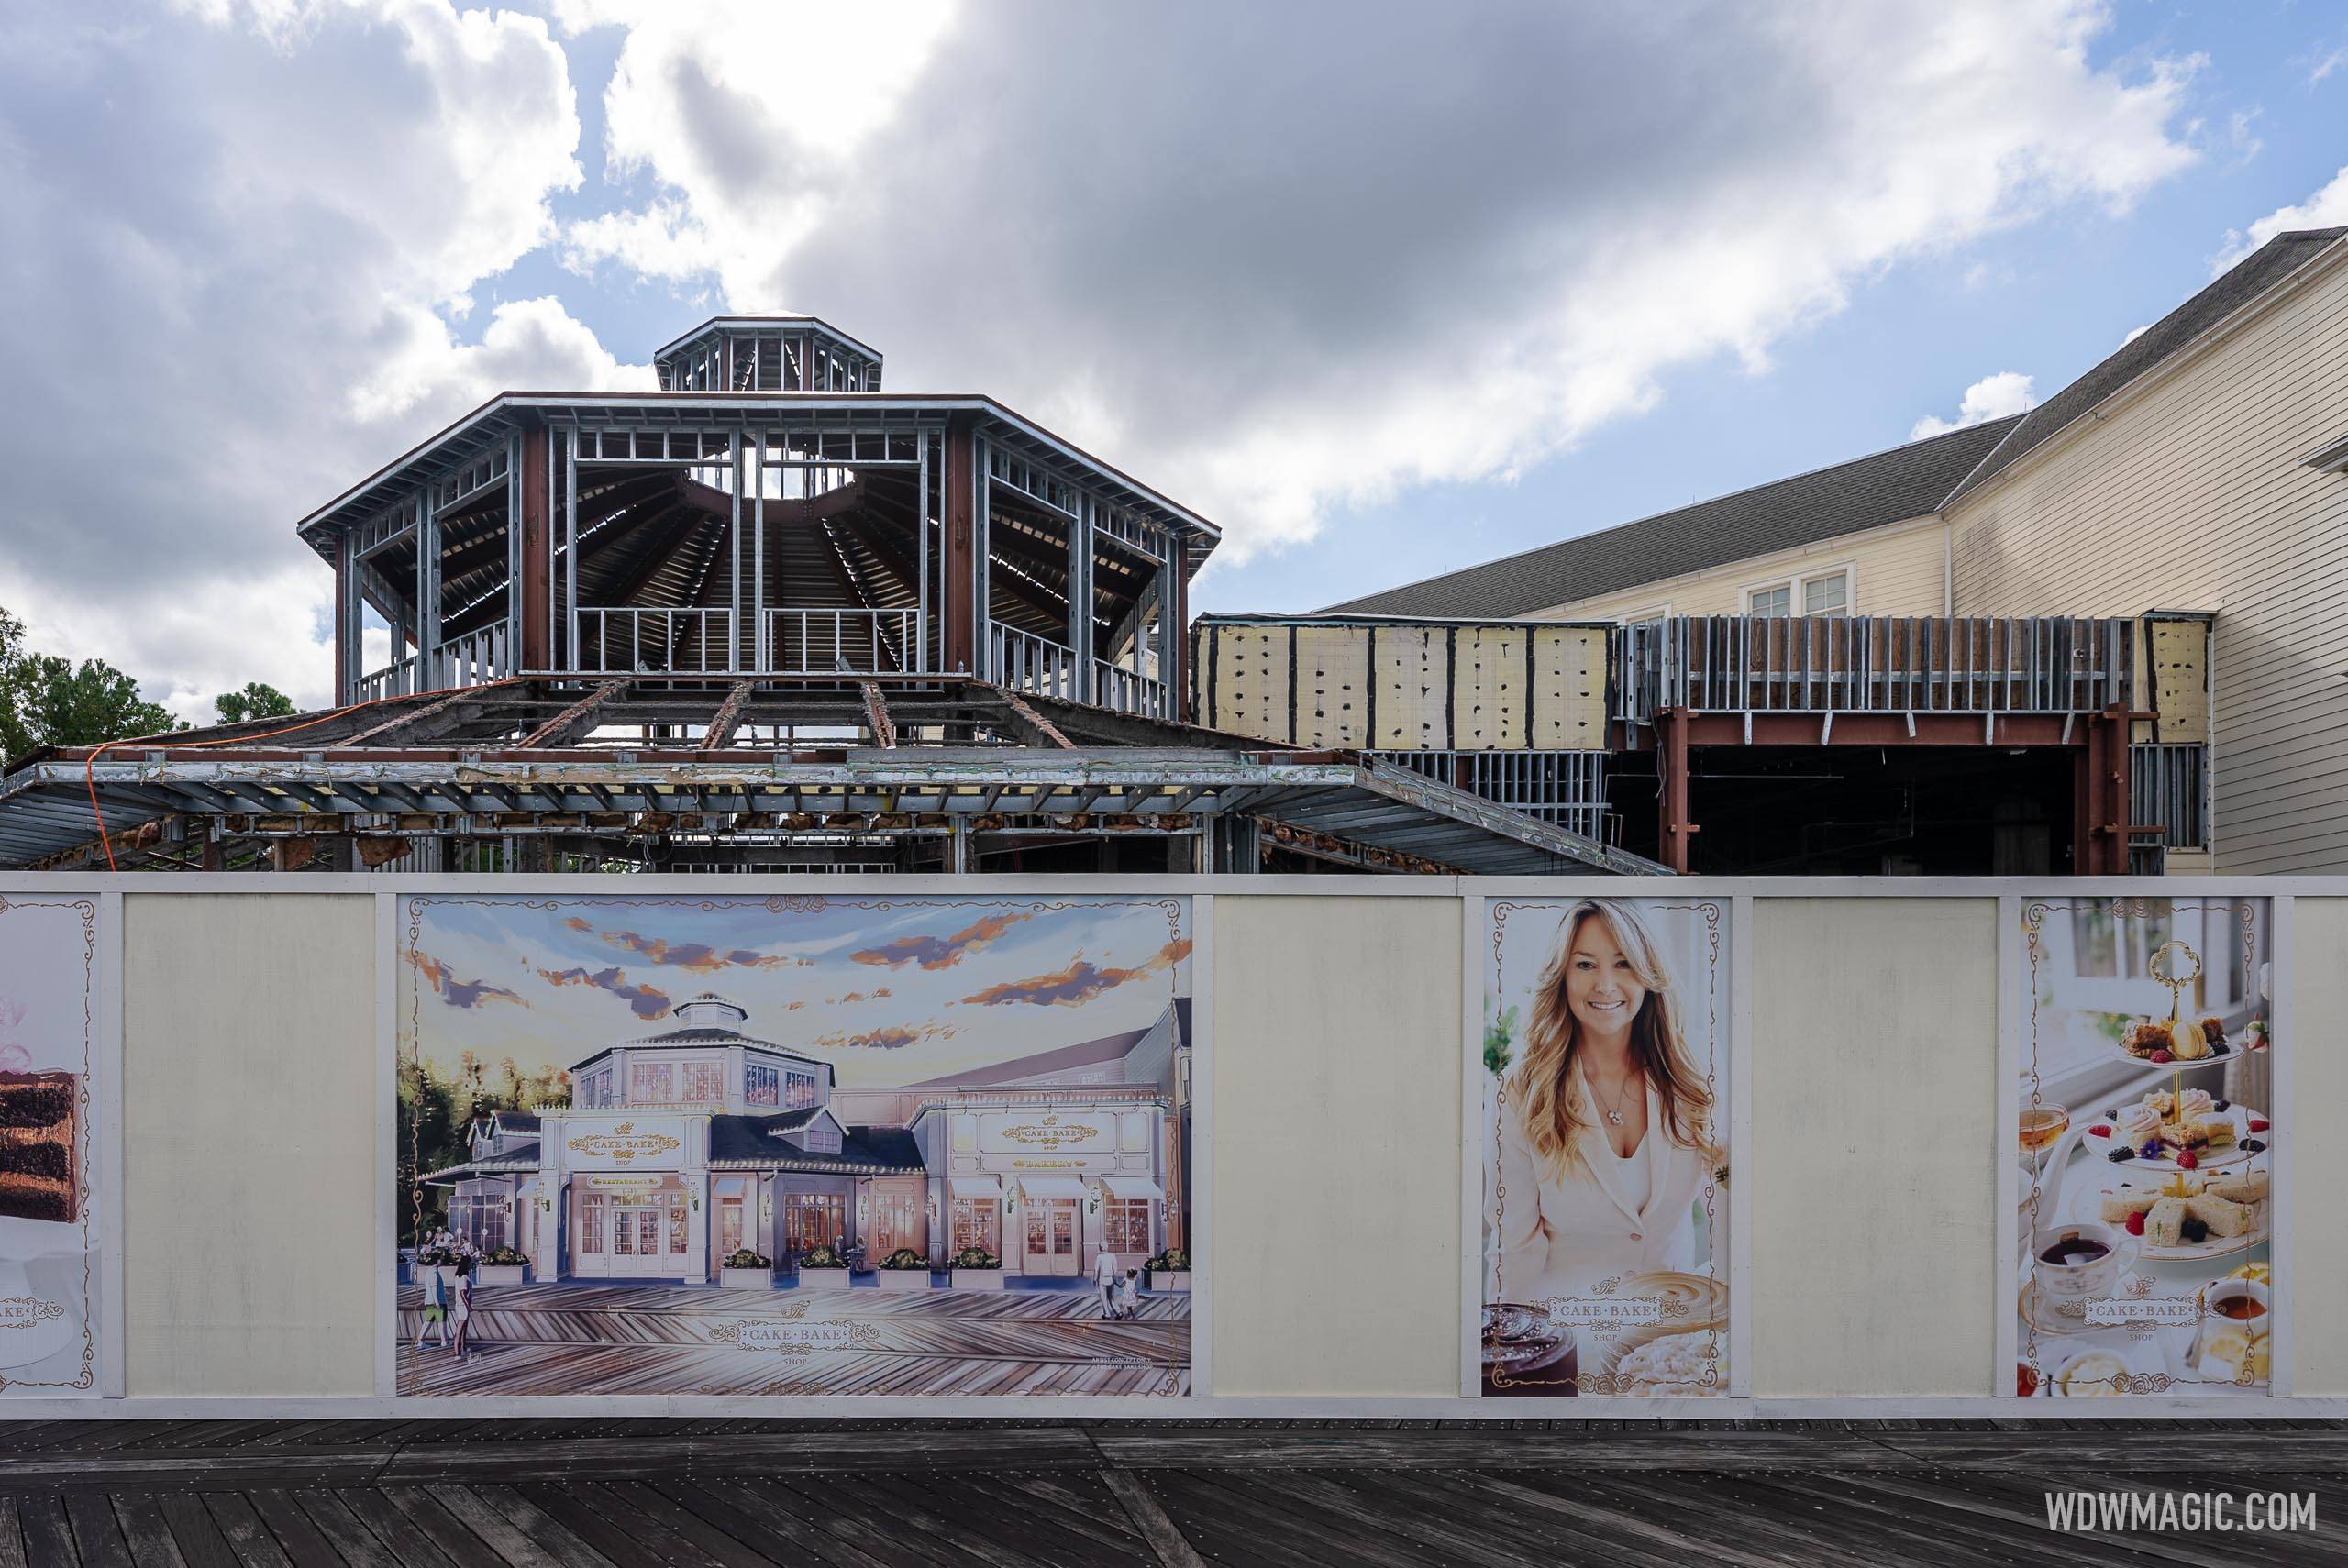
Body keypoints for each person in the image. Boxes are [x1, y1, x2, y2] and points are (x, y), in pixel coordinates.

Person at [1494, 899, 1717, 1305]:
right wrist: (1517, 1358)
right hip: (1568, 1338)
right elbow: (1517, 1249)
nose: (1605, 985)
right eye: (1585, 965)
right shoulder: (1523, 1090)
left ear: (1648, 975)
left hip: (1673, 1341)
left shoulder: (1692, 1082)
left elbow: (1735, 1202)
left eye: (1623, 963)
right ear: (1561, 975)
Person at [415, 1260, 449, 1350]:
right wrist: (437, 1302)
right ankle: (444, 1341)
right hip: (438, 1301)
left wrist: (444, 1291)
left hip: (430, 1301)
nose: (442, 1260)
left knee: (428, 1321)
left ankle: (420, 1341)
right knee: (442, 1321)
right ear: (437, 1260)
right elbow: (434, 1288)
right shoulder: (434, 1273)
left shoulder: (429, 1271)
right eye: (440, 1259)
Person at [449, 1263, 474, 1361]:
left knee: (463, 1327)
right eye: (469, 1263)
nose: (470, 1265)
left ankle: (463, 1347)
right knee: (459, 1329)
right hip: (463, 1306)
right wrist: (468, 1306)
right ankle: (457, 1352)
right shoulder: (464, 1277)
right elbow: (462, 1293)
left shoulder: (457, 1277)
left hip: (459, 1305)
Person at [1092, 1245, 1120, 1317]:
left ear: (1100, 1248)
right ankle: (1118, 1311)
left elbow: (1096, 1270)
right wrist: (1114, 1278)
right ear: (1107, 1247)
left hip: (1102, 1279)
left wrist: (1095, 1279)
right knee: (1111, 1297)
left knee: (1104, 1298)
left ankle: (1107, 1313)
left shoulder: (1099, 1257)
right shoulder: (1112, 1256)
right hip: (1110, 1278)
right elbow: (1115, 1268)